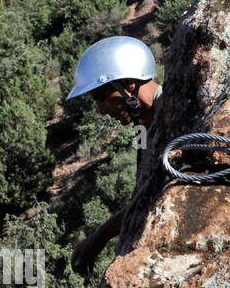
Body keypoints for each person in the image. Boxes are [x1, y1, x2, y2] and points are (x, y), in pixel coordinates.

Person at [66, 36, 162, 275]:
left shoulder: (177, 113)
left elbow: (155, 197)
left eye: (101, 97)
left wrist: (101, 236)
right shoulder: (141, 129)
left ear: (129, 83)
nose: (100, 111)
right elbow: (144, 192)